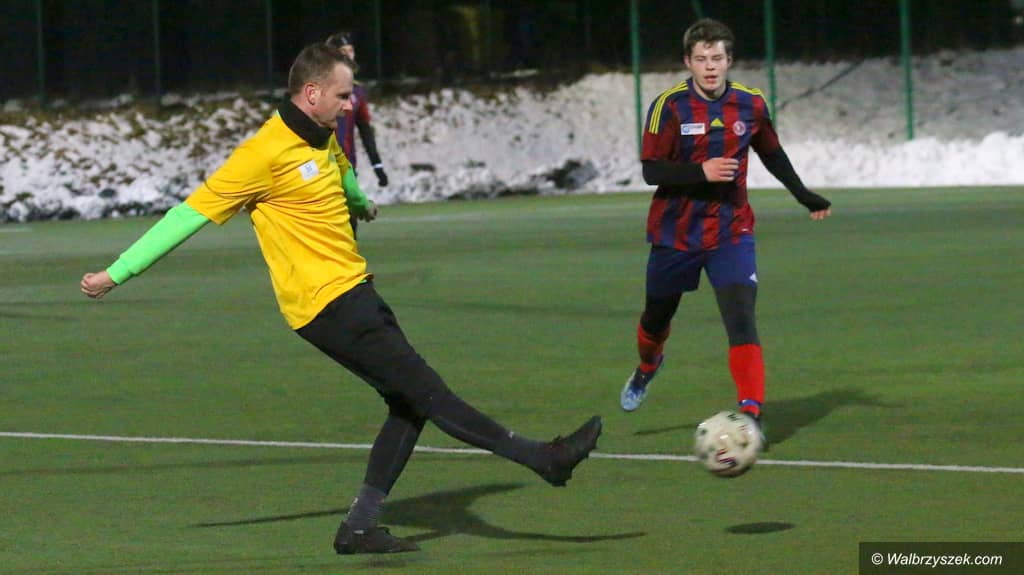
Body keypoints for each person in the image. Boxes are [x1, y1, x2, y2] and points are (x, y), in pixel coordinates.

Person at [81, 43, 601, 555]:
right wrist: (116, 273)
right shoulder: (263, 154)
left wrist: (360, 202)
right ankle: (544, 458)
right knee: (429, 394)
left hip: (354, 290)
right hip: (327, 306)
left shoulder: (321, 134)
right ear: (312, 93)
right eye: (343, 95)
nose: (350, 105)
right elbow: (186, 216)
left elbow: (339, 171)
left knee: (408, 404)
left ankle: (359, 527)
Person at [619, 18, 832, 439]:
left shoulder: (750, 104)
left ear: (729, 60)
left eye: (717, 58)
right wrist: (701, 171)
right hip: (675, 234)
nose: (710, 66)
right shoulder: (668, 107)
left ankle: (750, 413)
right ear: (688, 62)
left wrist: (803, 194)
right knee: (656, 319)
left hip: (731, 231)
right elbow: (651, 171)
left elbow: (772, 152)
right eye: (701, 59)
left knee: (741, 318)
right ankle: (648, 364)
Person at [324, 31, 388, 190]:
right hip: (322, 167)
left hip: (347, 166)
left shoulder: (357, 91)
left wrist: (377, 164)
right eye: (343, 51)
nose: (348, 55)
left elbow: (365, 129)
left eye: (350, 50)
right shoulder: (318, 88)